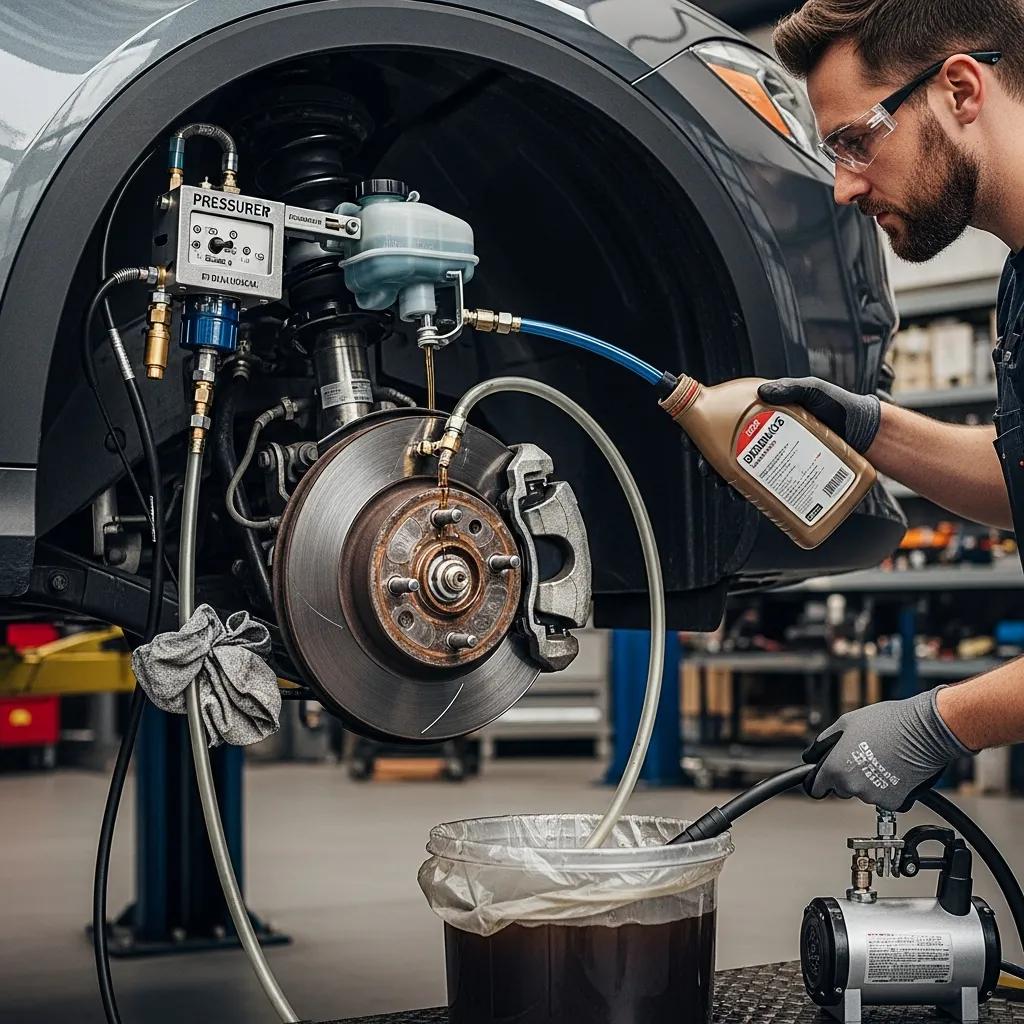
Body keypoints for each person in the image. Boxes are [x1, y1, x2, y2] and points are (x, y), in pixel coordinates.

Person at [761, 0, 1024, 811]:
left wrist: (940, 720)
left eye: (854, 139)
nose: (844, 186)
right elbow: (1017, 478)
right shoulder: (1017, 284)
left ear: (960, 90)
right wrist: (870, 428)